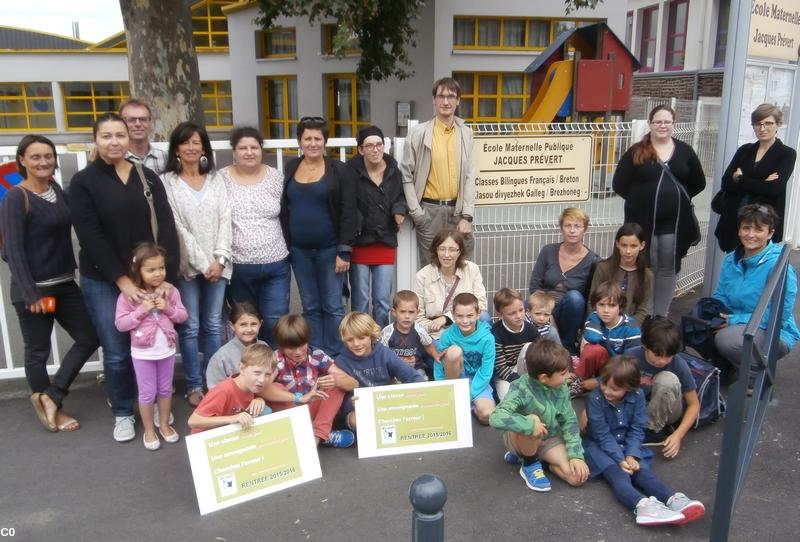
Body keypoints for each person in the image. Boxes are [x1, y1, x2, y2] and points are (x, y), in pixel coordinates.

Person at [70, 112, 180, 443]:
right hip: (105, 280)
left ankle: (157, 406)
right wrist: (122, 280)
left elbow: (166, 227)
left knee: (156, 343)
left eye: (120, 135)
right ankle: (122, 411)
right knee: (117, 350)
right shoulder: (83, 182)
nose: (114, 142)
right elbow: (89, 235)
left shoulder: (146, 177)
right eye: (106, 136)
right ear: (96, 140)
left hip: (149, 280)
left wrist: (166, 278)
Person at [0, 135, 99, 433]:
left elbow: (74, 198)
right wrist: (30, 292)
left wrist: (91, 166)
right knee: (37, 352)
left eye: (48, 156)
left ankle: (52, 396)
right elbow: (12, 250)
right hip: (36, 290)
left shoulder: (55, 189)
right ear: (22, 161)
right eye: (35, 157)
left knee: (90, 336)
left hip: (65, 284)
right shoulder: (17, 197)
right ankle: (51, 411)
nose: (43, 162)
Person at [583, 355, 705, 526]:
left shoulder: (638, 395)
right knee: (620, 476)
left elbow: (637, 428)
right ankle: (642, 506)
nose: (607, 391)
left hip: (626, 443)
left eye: (615, 389)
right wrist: (621, 459)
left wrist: (631, 454)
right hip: (598, 446)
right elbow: (601, 434)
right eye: (604, 384)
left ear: (629, 388)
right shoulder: (595, 399)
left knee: (644, 473)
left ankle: (671, 499)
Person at [162, 121, 231, 406]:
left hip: (220, 263)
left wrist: (220, 258)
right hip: (188, 266)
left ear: (204, 147)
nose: (191, 147)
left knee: (214, 325)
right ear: (176, 148)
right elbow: (176, 227)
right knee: (190, 327)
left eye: (196, 142)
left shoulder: (217, 180)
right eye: (185, 142)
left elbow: (226, 218)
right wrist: (204, 263)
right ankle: (193, 385)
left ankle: (213, 382)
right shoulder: (167, 181)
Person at [613, 105, 706, 317]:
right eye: (658, 122)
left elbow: (698, 182)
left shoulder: (685, 151)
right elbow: (620, 183)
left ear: (674, 124)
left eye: (667, 122)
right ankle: (646, 314)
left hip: (674, 225)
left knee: (668, 268)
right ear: (650, 124)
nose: (662, 125)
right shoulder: (637, 151)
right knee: (647, 268)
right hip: (644, 224)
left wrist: (675, 197)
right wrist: (642, 199)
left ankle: (660, 316)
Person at [280, 117, 358, 356]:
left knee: (333, 306)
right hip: (299, 252)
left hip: (330, 250)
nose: (313, 143)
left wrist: (344, 251)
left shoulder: (338, 170)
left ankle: (335, 356)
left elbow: (348, 211)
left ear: (325, 141)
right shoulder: (291, 167)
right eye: (308, 138)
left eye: (318, 138)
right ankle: (315, 354)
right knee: (310, 307)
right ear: (299, 141)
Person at [220, 126, 289, 347]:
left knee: (274, 321)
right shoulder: (221, 179)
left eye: (254, 147)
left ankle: (275, 369)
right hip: (239, 266)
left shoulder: (276, 178)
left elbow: (287, 213)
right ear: (234, 151)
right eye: (243, 148)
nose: (249, 152)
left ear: (261, 149)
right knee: (246, 323)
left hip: (275, 265)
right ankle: (250, 372)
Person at [489, 339, 589, 492]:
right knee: (534, 420)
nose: (568, 376)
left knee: (577, 478)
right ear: (544, 377)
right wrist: (529, 425)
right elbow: (495, 418)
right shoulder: (520, 388)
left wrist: (576, 456)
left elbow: (569, 421)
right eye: (563, 373)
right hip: (520, 436)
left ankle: (542, 460)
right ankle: (529, 463)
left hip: (549, 438)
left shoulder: (561, 387)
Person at [114, 243, 187, 450]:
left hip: (167, 350)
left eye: (161, 268)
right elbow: (120, 324)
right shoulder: (129, 296)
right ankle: (148, 429)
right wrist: (141, 311)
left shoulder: (170, 292)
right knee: (147, 392)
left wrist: (169, 308)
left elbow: (183, 315)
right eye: (151, 269)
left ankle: (163, 425)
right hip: (142, 353)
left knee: (165, 389)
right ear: (138, 270)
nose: (158, 274)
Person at [713, 204, 799, 377]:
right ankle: (729, 365)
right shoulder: (731, 259)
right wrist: (712, 315)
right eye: (746, 228)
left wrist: (734, 320)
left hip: (774, 332)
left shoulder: (779, 267)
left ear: (770, 233)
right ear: (739, 230)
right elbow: (720, 296)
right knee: (694, 327)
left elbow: (778, 315)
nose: (750, 235)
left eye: (759, 230)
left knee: (726, 340)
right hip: (735, 323)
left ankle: (757, 375)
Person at [400, 77, 476, 265]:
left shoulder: (466, 133)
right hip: (429, 213)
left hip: (458, 213)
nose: (446, 101)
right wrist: (417, 214)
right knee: (431, 271)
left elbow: (470, 175)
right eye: (441, 96)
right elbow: (406, 174)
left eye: (451, 96)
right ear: (433, 100)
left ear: (458, 100)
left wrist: (467, 215)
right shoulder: (419, 133)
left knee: (462, 269)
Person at [263, 314, 358, 448]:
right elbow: (262, 389)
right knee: (275, 386)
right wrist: (299, 398)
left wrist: (336, 381)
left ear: (307, 340)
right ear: (281, 346)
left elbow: (353, 383)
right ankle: (324, 435)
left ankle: (317, 436)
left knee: (336, 381)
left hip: (313, 409)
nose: (297, 352)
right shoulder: (275, 358)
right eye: (291, 347)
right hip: (290, 412)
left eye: (301, 345)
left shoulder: (316, 355)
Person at [714, 104, 796, 252]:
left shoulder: (786, 153)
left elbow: (774, 188)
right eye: (758, 124)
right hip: (735, 220)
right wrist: (762, 183)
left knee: (757, 267)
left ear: (778, 125)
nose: (762, 128)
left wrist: (740, 179)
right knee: (734, 266)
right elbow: (726, 184)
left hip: (762, 223)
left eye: (768, 123)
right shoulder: (744, 150)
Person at [347, 125, 406, 328]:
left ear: (384, 146)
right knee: (360, 301)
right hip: (360, 241)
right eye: (369, 145)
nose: (375, 149)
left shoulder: (393, 171)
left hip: (385, 240)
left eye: (379, 144)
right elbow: (346, 204)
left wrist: (398, 210)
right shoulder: (351, 172)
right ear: (361, 149)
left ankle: (380, 340)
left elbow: (399, 195)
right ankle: (359, 338)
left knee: (382, 301)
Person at [334, 312, 426, 431]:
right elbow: (339, 398)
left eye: (361, 338)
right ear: (344, 340)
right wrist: (349, 404)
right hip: (361, 410)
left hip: (387, 405)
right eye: (350, 340)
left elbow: (412, 376)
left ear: (371, 336)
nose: (356, 344)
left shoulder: (384, 353)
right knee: (355, 420)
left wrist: (417, 396)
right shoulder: (341, 362)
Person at [627, 317, 699, 458]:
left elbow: (694, 405)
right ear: (644, 345)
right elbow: (610, 383)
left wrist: (678, 435)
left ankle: (651, 430)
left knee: (667, 379)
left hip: (668, 410)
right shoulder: (631, 356)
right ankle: (634, 425)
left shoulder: (678, 364)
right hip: (638, 407)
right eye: (658, 355)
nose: (662, 361)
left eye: (669, 356)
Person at [528, 207, 597, 354]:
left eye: (577, 226)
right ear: (561, 228)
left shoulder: (593, 260)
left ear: (585, 229)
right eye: (568, 226)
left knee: (575, 298)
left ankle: (567, 348)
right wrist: (547, 313)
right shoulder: (548, 251)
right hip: (543, 307)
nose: (572, 231)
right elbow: (535, 285)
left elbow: (591, 297)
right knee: (518, 306)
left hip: (571, 312)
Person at [414, 228, 488, 340]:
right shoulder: (422, 276)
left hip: (466, 326)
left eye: (452, 250)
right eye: (442, 249)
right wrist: (434, 328)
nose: (446, 255)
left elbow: (481, 305)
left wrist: (446, 318)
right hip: (437, 333)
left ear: (460, 252)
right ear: (436, 250)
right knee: (449, 354)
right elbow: (417, 317)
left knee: (485, 318)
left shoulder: (472, 270)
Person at [188, 343, 277, 433]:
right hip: (206, 438)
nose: (262, 380)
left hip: (226, 431)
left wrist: (259, 399)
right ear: (242, 368)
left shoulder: (250, 384)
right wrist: (232, 419)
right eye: (257, 373)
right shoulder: (223, 390)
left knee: (265, 410)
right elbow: (193, 421)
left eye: (267, 374)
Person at [436, 292, 496, 423]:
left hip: (478, 382)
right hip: (456, 378)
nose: (465, 321)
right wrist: (441, 389)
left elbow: (486, 372)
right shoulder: (447, 335)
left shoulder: (487, 338)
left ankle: (471, 405)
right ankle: (454, 395)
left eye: (470, 315)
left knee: (487, 416)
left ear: (478, 314)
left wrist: (469, 394)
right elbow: (439, 364)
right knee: (453, 352)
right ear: (452, 315)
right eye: (459, 316)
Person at [576, 282, 641, 392]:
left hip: (621, 372)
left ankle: (600, 385)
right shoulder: (594, 318)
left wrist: (599, 381)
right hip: (602, 366)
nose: (606, 311)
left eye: (612, 305)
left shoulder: (631, 327)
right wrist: (595, 316)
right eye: (601, 305)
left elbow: (630, 364)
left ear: (620, 306)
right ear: (595, 306)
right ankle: (578, 383)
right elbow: (593, 338)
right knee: (592, 349)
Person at [589, 223, 653, 326]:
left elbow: (642, 310)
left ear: (642, 246)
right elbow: (592, 302)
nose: (628, 251)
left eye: (633, 246)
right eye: (624, 245)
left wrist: (627, 328)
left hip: (629, 329)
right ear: (617, 244)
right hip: (601, 325)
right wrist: (596, 325)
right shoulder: (603, 268)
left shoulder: (646, 275)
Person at [491, 288, 540, 400]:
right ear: (500, 315)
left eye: (521, 310)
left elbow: (541, 354)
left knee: (530, 347)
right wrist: (519, 382)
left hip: (525, 369)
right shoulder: (496, 332)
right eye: (512, 313)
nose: (518, 315)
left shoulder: (530, 329)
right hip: (504, 373)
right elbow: (499, 366)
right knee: (508, 399)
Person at [380, 290, 439, 380]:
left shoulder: (419, 330)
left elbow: (429, 346)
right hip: (394, 370)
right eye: (402, 312)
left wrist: (437, 357)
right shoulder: (387, 332)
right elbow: (382, 353)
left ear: (417, 312)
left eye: (411, 312)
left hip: (416, 369)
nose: (407, 316)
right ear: (394, 312)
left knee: (422, 383)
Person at [206, 302, 266, 389]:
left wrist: (260, 398)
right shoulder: (222, 357)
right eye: (243, 324)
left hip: (262, 398)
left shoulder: (265, 347)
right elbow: (215, 390)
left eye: (253, 324)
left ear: (260, 324)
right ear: (232, 326)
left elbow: (271, 377)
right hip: (231, 400)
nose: (249, 329)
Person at [119, 98, 168, 173]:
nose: (138, 124)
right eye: (131, 120)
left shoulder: (165, 158)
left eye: (143, 119)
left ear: (151, 123)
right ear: (121, 123)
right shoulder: (116, 159)